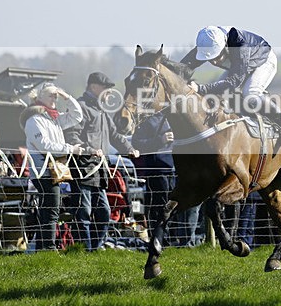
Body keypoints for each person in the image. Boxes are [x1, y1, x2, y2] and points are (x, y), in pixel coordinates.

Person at [181, 26, 281, 146]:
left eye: (216, 57)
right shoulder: (207, 43)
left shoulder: (239, 45)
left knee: (250, 94)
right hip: (240, 65)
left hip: (263, 61)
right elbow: (182, 67)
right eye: (210, 59)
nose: (215, 62)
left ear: (224, 46)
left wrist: (200, 88)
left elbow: (233, 82)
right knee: (214, 95)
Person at [64, 72, 139, 251]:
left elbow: (114, 135)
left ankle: (94, 249)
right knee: (83, 213)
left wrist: (129, 149)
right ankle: (84, 250)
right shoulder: (80, 107)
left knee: (104, 213)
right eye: (106, 89)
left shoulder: (102, 110)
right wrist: (89, 150)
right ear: (93, 87)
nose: (108, 94)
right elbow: (72, 135)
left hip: (99, 171)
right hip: (82, 170)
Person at [20, 83, 83, 252]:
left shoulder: (52, 117)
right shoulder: (34, 119)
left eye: (55, 96)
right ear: (39, 98)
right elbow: (44, 145)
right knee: (52, 208)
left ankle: (42, 247)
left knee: (49, 208)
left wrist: (67, 96)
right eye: (51, 95)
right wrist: (70, 149)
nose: (55, 98)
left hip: (51, 170)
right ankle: (48, 247)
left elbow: (77, 116)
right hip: (43, 171)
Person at [131, 111, 181, 245]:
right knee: (159, 206)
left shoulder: (174, 117)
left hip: (175, 168)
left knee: (174, 204)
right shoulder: (147, 120)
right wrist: (160, 140)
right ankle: (158, 238)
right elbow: (137, 143)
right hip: (157, 169)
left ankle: (172, 238)